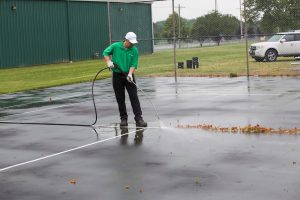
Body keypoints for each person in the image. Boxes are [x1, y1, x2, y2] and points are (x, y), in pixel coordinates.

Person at [103, 32, 147, 127]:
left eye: (133, 42)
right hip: (117, 76)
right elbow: (105, 52)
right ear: (126, 40)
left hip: (129, 76)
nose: (132, 44)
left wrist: (130, 74)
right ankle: (123, 119)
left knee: (134, 97)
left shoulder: (134, 50)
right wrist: (108, 61)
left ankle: (139, 119)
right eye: (130, 42)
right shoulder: (115, 46)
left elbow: (134, 63)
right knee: (120, 98)